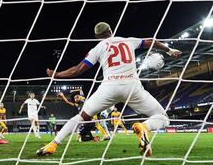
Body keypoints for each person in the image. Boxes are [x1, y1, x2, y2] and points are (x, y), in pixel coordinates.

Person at [37, 22, 182, 156]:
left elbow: (77, 70)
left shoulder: (98, 48)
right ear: (111, 31)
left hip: (109, 88)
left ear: (96, 37)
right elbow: (151, 41)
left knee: (81, 117)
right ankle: (145, 127)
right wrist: (169, 50)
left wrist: (57, 74)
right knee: (162, 117)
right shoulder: (128, 40)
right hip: (132, 87)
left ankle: (53, 144)